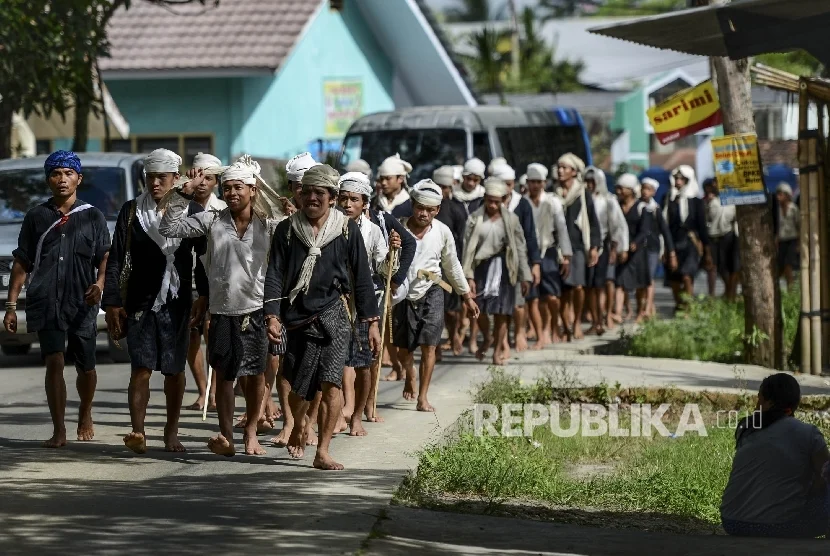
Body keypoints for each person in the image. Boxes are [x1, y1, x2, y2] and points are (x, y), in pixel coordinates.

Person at [157, 155, 283, 457]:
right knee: (225, 377)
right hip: (222, 312)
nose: (232, 194)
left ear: (252, 190)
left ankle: (251, 431)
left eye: (239, 187)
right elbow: (169, 227)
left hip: (255, 312)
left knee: (254, 377)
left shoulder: (269, 225)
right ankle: (226, 435)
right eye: (227, 188)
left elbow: (296, 229)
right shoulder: (212, 219)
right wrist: (185, 191)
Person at [264, 164, 380, 470]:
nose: (313, 198)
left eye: (320, 193)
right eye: (308, 192)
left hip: (335, 314)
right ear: (300, 195)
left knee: (332, 385)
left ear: (332, 197)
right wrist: (272, 316)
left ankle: (323, 451)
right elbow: (274, 275)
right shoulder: (287, 230)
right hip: (296, 317)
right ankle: (300, 424)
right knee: (297, 387)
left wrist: (371, 322)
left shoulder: (346, 229)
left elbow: (362, 277)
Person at [104, 148, 208, 454]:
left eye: (162, 178)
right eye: (150, 178)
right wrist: (112, 302)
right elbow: (116, 259)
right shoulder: (131, 210)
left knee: (175, 370)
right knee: (141, 368)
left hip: (178, 302)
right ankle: (138, 430)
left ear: (176, 178)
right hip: (140, 300)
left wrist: (203, 295)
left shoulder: (191, 211)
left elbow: (203, 258)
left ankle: (171, 430)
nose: (155, 184)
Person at [4, 150, 110, 448]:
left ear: (79, 178)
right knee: (54, 361)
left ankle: (85, 412)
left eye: (68, 173)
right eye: (55, 173)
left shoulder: (93, 215)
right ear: (47, 178)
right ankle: (59, 428)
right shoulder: (36, 216)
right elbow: (22, 261)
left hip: (82, 302)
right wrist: (12, 306)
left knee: (86, 366)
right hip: (46, 300)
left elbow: (105, 255)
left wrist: (100, 284)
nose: (62, 179)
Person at [393, 179, 478, 410]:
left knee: (430, 344)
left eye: (430, 209)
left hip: (432, 290)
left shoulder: (442, 231)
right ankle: (409, 373)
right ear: (412, 204)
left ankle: (423, 397)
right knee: (402, 350)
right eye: (420, 207)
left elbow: (452, 265)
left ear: (437, 210)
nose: (424, 213)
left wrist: (467, 296)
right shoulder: (398, 229)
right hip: (402, 294)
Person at [721, 373, 830, 538]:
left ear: (767, 401)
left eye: (759, 399)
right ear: (795, 402)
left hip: (732, 522)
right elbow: (825, 477)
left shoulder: (747, 428)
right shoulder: (808, 433)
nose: (756, 405)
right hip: (779, 527)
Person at [336, 171, 399, 436]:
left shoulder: (372, 232)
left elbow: (386, 270)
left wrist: (393, 252)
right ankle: (337, 413)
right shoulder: (329, 225)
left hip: (364, 303)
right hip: (335, 302)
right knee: (335, 362)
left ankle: (357, 417)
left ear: (365, 204)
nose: (347, 204)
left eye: (354, 199)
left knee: (363, 363)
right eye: (343, 199)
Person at [463, 178, 532, 365]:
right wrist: (468, 275)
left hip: (505, 267)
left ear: (504, 200)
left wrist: (525, 276)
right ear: (484, 198)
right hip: (481, 267)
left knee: (502, 311)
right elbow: (467, 249)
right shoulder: (474, 219)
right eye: (489, 200)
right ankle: (487, 337)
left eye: (497, 201)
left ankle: (497, 351)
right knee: (481, 309)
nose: (493, 205)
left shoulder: (511, 220)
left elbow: (519, 248)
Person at [183, 152, 226, 413]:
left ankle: (216, 392)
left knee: (214, 338)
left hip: (212, 282)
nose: (201, 183)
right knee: (191, 339)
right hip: (181, 282)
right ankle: (202, 390)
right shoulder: (177, 204)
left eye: (208, 178)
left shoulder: (223, 210)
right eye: (197, 176)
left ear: (216, 182)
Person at [491, 162, 541, 353]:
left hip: (518, 260)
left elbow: (530, 235)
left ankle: (519, 332)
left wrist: (535, 263)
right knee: (499, 305)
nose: (506, 189)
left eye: (510, 184)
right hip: (494, 260)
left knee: (519, 302)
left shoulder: (522, 204)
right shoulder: (488, 203)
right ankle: (501, 341)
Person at [524, 162, 572, 346]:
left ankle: (555, 324)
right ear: (527, 182)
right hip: (529, 254)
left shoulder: (552, 201)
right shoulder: (523, 202)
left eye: (538, 182)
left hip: (549, 251)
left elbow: (562, 228)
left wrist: (566, 256)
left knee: (552, 296)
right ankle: (543, 332)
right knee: (535, 298)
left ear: (544, 183)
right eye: (531, 182)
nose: (535, 185)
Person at [555, 153, 600, 341]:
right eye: (559, 167)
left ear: (574, 172)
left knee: (579, 286)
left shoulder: (583, 194)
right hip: (557, 247)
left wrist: (595, 247)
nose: (560, 171)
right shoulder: (553, 193)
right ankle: (565, 326)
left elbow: (593, 222)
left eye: (565, 168)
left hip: (578, 245)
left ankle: (576, 324)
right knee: (563, 290)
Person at [584, 166, 627, 335]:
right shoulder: (584, 199)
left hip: (604, 247)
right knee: (590, 286)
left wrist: (616, 249)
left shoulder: (608, 200)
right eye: (586, 181)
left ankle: (605, 316)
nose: (588, 185)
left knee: (602, 284)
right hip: (586, 249)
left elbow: (616, 226)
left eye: (591, 181)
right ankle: (595, 320)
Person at [663, 165, 711, 311]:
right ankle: (679, 304)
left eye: (682, 179)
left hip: (690, 242)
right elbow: (664, 224)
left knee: (687, 275)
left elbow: (702, 226)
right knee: (674, 279)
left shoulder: (696, 201)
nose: (678, 182)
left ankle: (689, 308)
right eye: (676, 178)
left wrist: (707, 251)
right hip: (672, 242)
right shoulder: (668, 199)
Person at [432, 165, 469, 356]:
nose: (442, 191)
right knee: (435, 309)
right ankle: (435, 347)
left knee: (452, 309)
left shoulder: (457, 208)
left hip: (450, 266)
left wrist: (461, 267)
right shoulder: (427, 209)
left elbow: (462, 239)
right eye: (438, 186)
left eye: (445, 187)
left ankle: (454, 335)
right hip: (431, 268)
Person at [614, 174, 653, 322]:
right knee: (620, 282)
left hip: (638, 251)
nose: (619, 192)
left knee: (640, 284)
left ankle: (640, 311)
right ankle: (618, 312)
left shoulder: (642, 207)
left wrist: (635, 243)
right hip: (621, 249)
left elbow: (645, 230)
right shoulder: (616, 206)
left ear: (630, 190)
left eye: (622, 189)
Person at [640, 178, 676, 318]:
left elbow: (665, 231)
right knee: (640, 280)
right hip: (638, 249)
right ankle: (647, 306)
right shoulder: (637, 207)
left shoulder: (656, 209)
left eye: (648, 189)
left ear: (654, 192)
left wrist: (670, 251)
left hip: (652, 248)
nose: (645, 192)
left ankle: (648, 307)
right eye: (643, 188)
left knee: (649, 278)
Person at [704, 178, 740, 302]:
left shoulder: (733, 201)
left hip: (729, 236)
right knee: (719, 267)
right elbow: (707, 219)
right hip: (714, 238)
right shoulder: (712, 201)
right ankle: (724, 292)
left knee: (732, 267)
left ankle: (731, 294)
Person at [776, 182, 800, 290]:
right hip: (781, 241)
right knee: (781, 267)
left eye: (781, 194)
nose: (778, 197)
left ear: (787, 195)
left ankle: (791, 289)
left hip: (792, 240)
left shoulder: (793, 208)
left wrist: (799, 243)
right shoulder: (776, 210)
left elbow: (799, 225)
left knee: (787, 265)